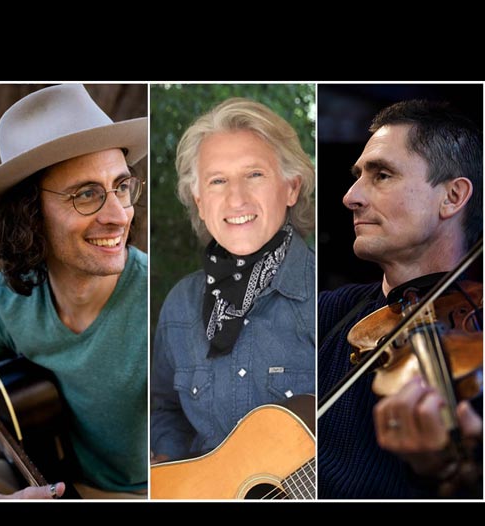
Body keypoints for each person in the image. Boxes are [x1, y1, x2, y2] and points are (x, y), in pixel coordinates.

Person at [0, 83, 149, 499]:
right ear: (29, 214)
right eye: (87, 194)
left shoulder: (161, 305)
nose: (118, 216)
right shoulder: (0, 301)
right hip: (51, 481)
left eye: (121, 187)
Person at [318, 99, 483, 498]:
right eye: (358, 176)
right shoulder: (327, 313)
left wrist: (458, 474)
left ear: (452, 196)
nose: (350, 197)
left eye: (382, 175)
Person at [150, 97, 316, 491]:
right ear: (199, 202)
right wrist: (176, 477)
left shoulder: (326, 296)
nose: (236, 198)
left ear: (291, 187)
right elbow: (163, 409)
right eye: (217, 181)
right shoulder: (180, 305)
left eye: (254, 174)